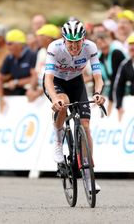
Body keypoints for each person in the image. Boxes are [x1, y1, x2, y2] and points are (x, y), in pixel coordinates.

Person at [43, 20, 105, 192]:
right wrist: (55, 98)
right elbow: (48, 78)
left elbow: (98, 77)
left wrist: (98, 93)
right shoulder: (54, 48)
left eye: (78, 41)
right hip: (57, 82)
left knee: (85, 126)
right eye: (70, 41)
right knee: (64, 103)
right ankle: (57, 140)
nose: (74, 45)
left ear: (83, 39)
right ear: (64, 40)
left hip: (76, 82)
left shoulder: (90, 47)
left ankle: (88, 176)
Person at [0, 29, 37, 113]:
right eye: (7, 43)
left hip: (30, 91)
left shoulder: (32, 55)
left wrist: (17, 82)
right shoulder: (9, 58)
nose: (7, 46)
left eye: (10, 43)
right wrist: (1, 99)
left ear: (19, 44)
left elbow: (36, 77)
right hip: (16, 91)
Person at [26, 24, 60, 102]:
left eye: (41, 36)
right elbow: (36, 73)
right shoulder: (41, 51)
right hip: (42, 90)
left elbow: (58, 79)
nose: (37, 39)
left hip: (56, 93)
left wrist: (40, 92)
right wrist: (31, 89)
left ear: (48, 38)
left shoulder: (58, 52)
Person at [95, 32, 126, 115]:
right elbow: (98, 78)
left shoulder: (116, 53)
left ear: (108, 41)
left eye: (103, 42)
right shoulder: (100, 58)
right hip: (110, 87)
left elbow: (116, 77)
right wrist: (97, 94)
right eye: (99, 43)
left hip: (123, 86)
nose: (102, 45)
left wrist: (111, 99)